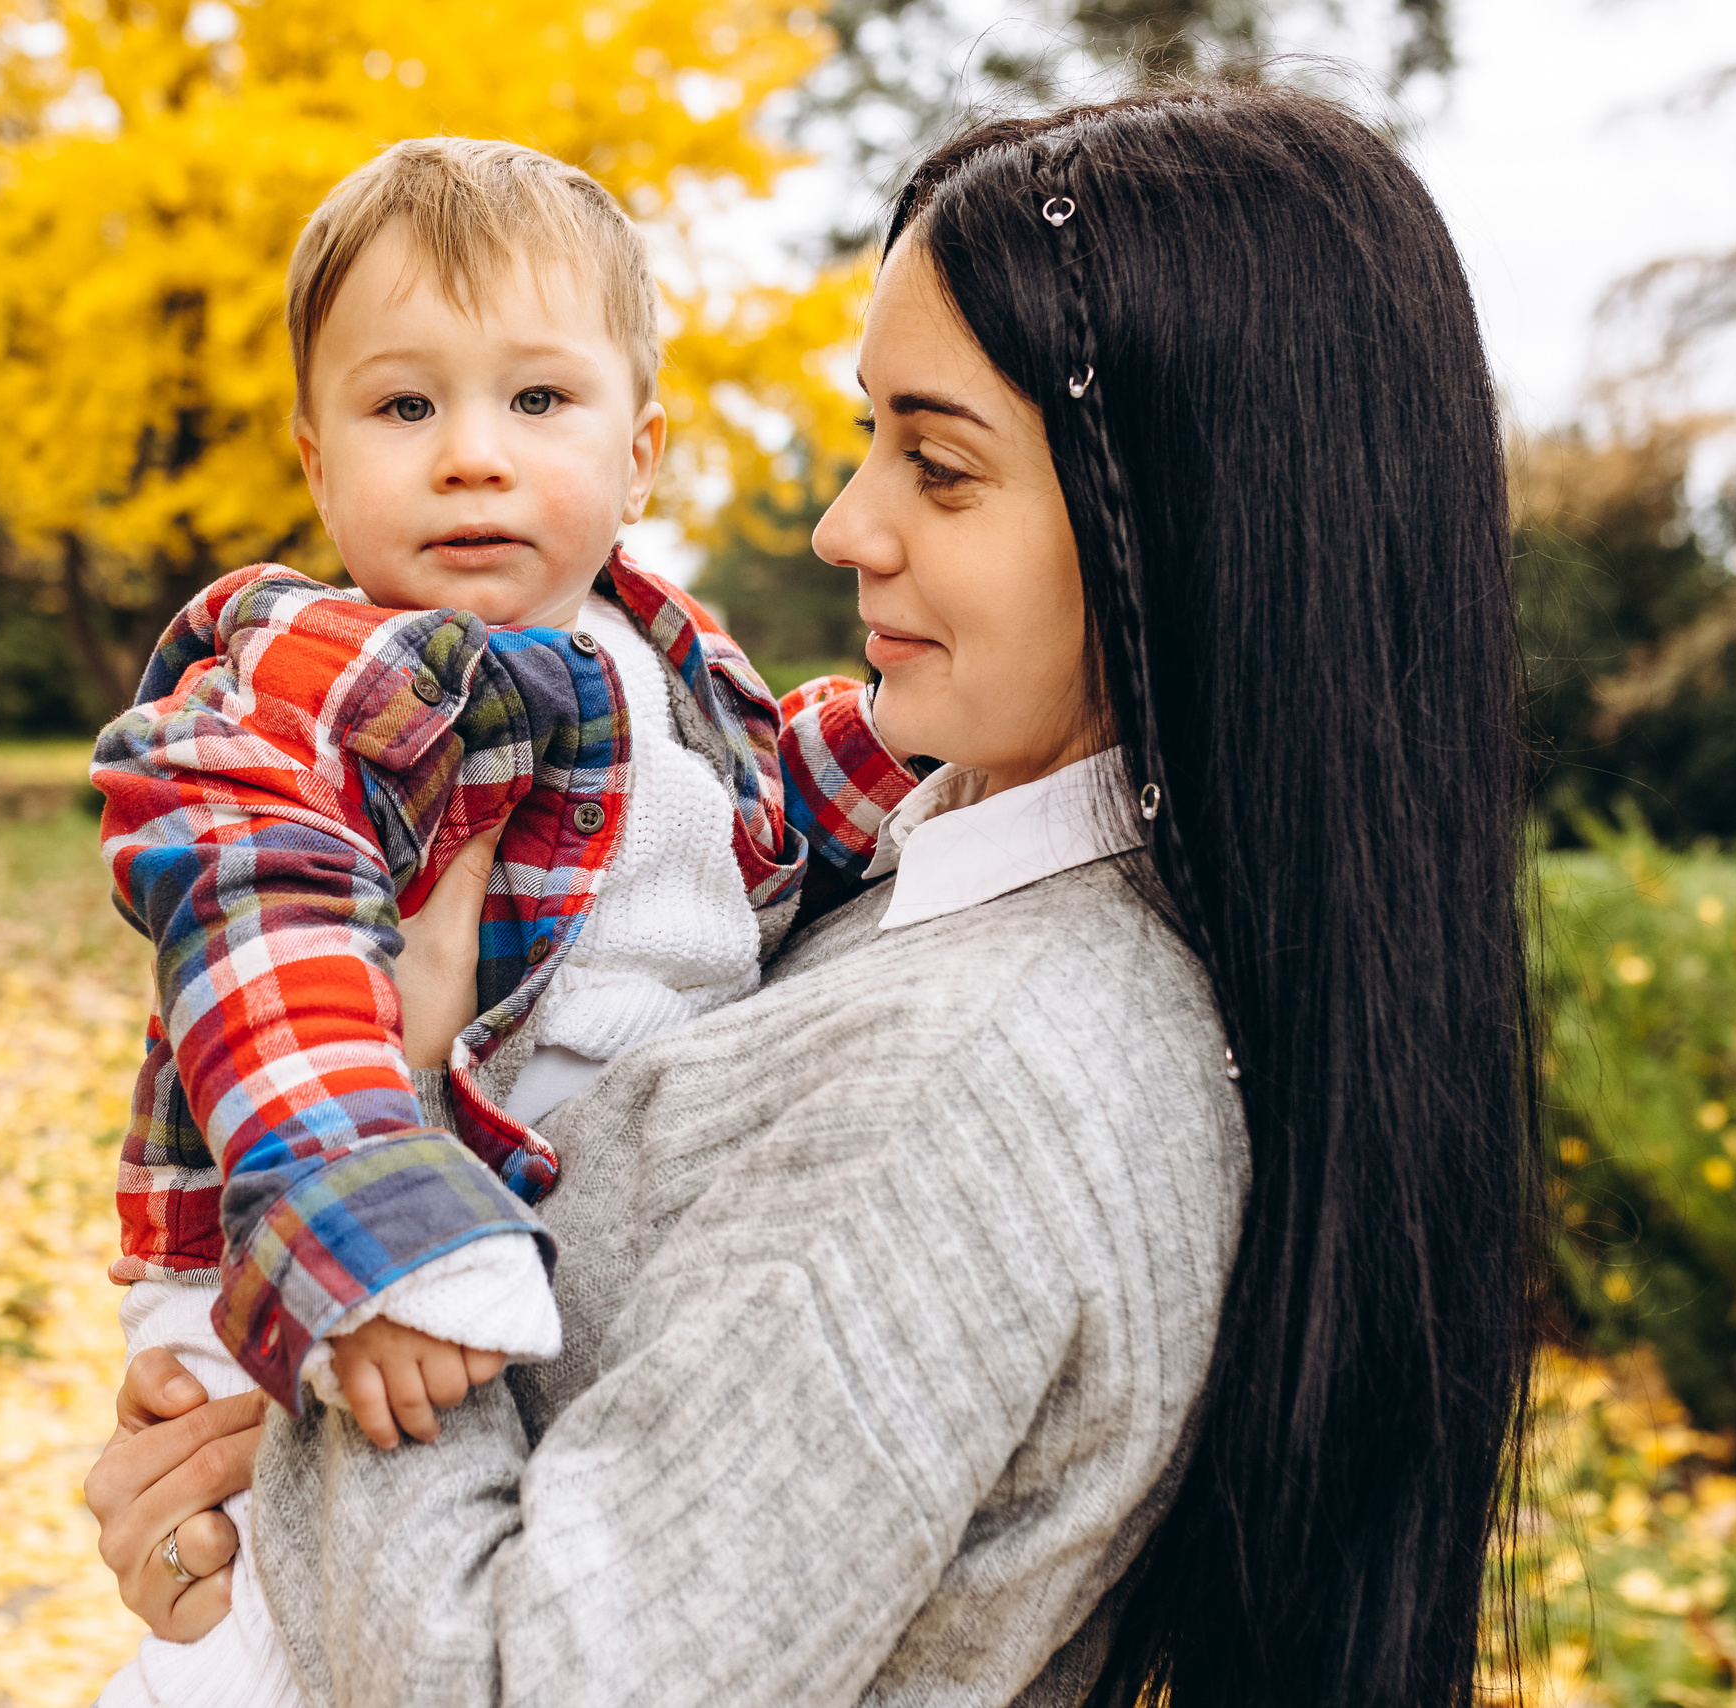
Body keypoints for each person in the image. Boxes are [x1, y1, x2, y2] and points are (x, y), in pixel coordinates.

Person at [87, 83, 1540, 1708]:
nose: (848, 524)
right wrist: (237, 1488)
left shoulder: (975, 1080)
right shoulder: (941, 868)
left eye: (939, 464)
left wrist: (380, 1190)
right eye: (869, 438)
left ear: (1188, 516)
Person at [89, 137, 910, 1706]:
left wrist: (924, 744)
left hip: (535, 1265)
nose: (471, 454)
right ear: (318, 465)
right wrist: (384, 1237)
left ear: (642, 449)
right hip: (323, 1230)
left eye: (537, 401)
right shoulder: (324, 671)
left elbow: (777, 823)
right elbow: (259, 916)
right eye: (405, 406)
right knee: (263, 1655)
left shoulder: (674, 674)